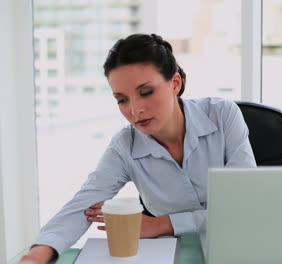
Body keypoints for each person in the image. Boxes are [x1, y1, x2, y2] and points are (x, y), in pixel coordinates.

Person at [20, 33, 256, 263]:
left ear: (175, 83)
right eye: (122, 100)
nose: (134, 110)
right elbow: (83, 204)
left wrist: (162, 224)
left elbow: (243, 206)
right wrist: (36, 255)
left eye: (146, 92)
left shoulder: (222, 115)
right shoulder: (125, 146)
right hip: (171, 254)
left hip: (243, 248)